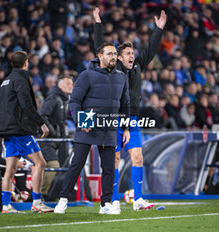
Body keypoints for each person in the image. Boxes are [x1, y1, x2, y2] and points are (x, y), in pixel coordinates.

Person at [93, 8, 166, 211]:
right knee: (114, 159)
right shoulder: (113, 69)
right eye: (127, 53)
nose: (132, 56)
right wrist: (97, 23)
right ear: (119, 57)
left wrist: (158, 29)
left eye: (132, 53)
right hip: (113, 119)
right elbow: (98, 47)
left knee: (138, 157)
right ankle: (113, 199)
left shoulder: (138, 67)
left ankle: (138, 199)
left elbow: (150, 49)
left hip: (132, 119)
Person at [54, 42, 130, 215]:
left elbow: (125, 104)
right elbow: (75, 101)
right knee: (77, 164)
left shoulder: (121, 76)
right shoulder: (86, 75)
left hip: (109, 126)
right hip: (87, 124)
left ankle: (105, 204)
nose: (113, 57)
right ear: (99, 55)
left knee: (109, 168)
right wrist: (82, 121)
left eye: (114, 54)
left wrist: (126, 127)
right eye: (109, 54)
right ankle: (63, 200)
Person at [0, 51, 54, 213]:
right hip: (18, 130)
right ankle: (37, 202)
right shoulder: (21, 79)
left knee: (11, 168)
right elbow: (26, 105)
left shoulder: (6, 81)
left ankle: (6, 205)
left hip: (6, 130)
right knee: (40, 163)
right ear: (26, 63)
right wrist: (41, 123)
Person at [38, 75, 73, 200]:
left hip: (54, 140)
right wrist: (52, 132)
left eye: (71, 83)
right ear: (60, 85)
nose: (71, 86)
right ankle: (42, 194)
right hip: (46, 139)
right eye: (68, 83)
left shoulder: (64, 99)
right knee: (53, 165)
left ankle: (43, 194)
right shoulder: (54, 98)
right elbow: (42, 115)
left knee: (48, 166)